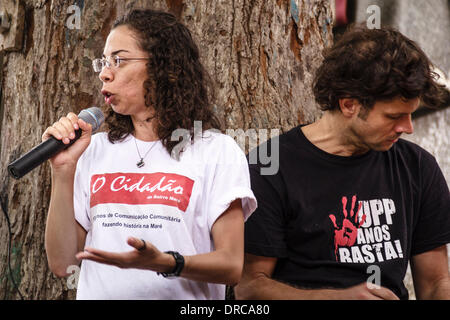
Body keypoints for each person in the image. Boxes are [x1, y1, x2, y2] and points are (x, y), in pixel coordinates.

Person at [43, 9, 256, 300]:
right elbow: (62, 264)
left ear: (163, 67)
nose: (105, 72)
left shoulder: (216, 151)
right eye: (104, 62)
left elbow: (231, 266)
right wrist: (63, 170)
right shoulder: (94, 150)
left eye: (118, 60)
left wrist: (166, 262)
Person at [235, 25, 450, 300]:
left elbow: (435, 283)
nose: (407, 127)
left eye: (411, 114)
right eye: (393, 116)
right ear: (349, 105)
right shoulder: (270, 167)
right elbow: (250, 287)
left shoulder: (418, 167)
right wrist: (337, 298)